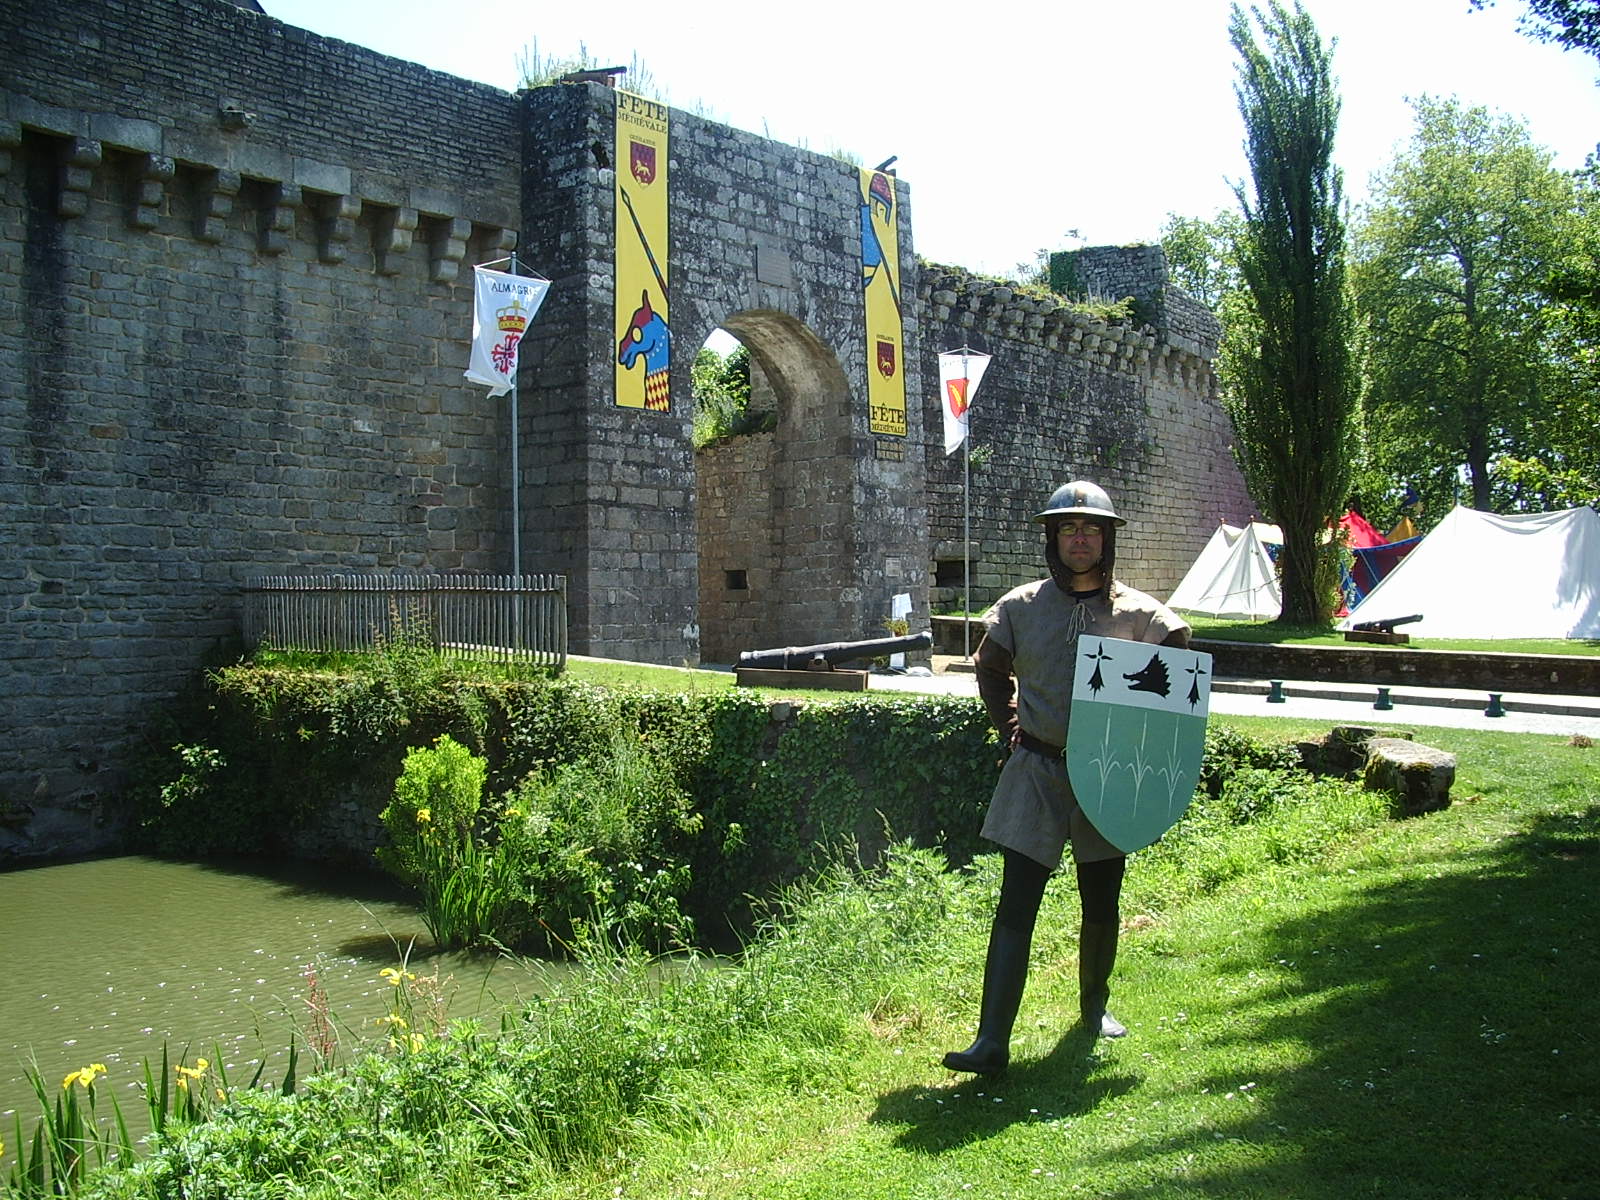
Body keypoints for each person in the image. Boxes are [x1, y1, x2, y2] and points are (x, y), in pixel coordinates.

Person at [942, 480, 1191, 1075]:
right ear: (1053, 538)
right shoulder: (1021, 607)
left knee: (1102, 898)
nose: (1080, 539)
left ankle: (1094, 1007)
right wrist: (1010, 732)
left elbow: (1181, 671)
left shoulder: (1141, 615)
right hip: (1038, 767)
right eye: (1068, 529)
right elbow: (991, 669)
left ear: (1107, 538)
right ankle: (991, 1041)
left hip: (1107, 774)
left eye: (1091, 529)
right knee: (1015, 904)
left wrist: (1145, 761)